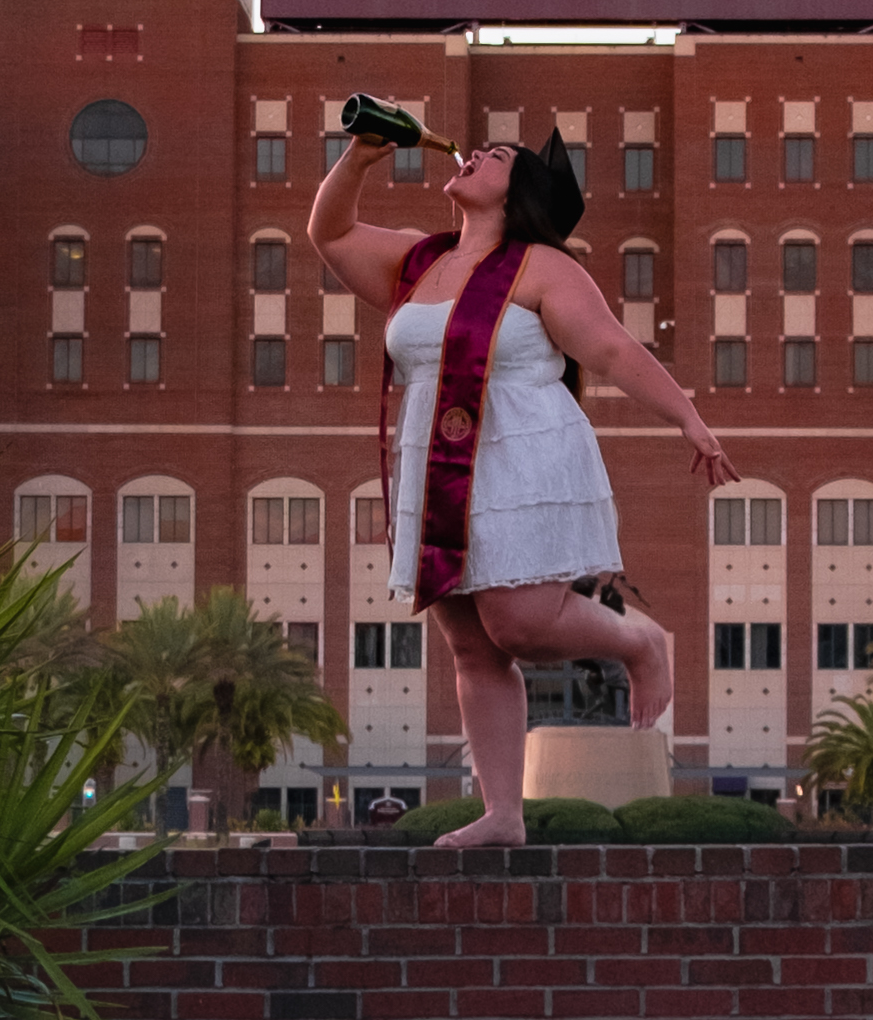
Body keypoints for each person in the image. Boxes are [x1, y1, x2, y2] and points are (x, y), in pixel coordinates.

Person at [310, 122, 738, 848]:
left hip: (520, 454)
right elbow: (330, 231)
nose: (474, 155)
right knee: (474, 647)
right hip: (435, 460)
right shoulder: (419, 259)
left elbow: (609, 348)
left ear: (521, 193)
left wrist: (689, 419)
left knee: (518, 622)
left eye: (497, 157)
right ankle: (503, 813)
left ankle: (638, 642)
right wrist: (359, 157)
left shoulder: (541, 266)